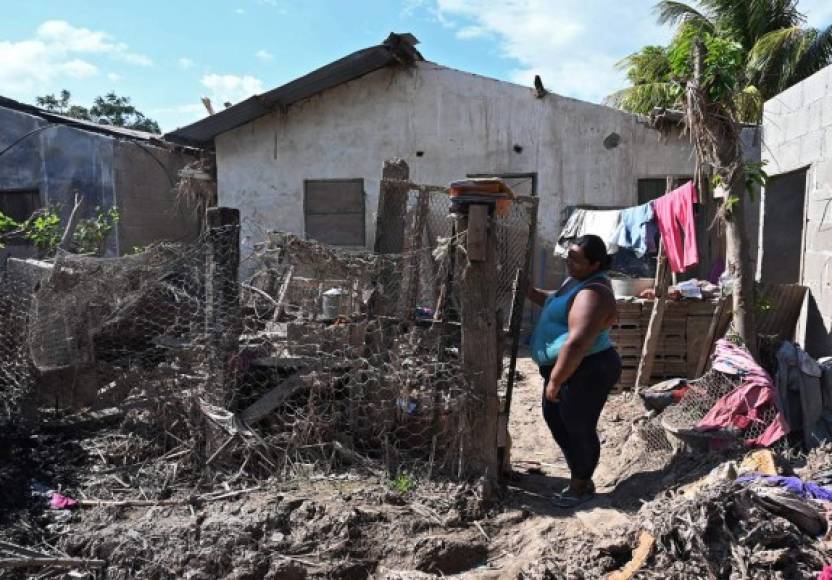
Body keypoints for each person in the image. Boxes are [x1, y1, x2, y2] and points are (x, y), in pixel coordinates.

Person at [527, 234, 621, 507]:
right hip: (571, 368)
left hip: (586, 369)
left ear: (594, 265)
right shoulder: (575, 282)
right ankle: (580, 477)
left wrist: (556, 381)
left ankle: (581, 486)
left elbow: (578, 343)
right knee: (557, 420)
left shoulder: (593, 292)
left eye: (576, 259)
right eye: (568, 256)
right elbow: (556, 302)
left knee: (578, 426)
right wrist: (530, 292)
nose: (569, 262)